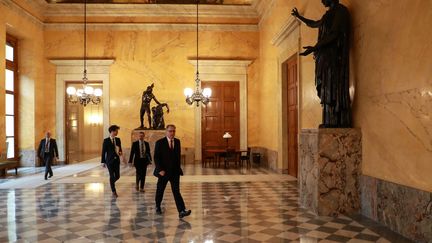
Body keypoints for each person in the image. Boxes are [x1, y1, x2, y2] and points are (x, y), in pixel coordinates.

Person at [292, 0, 352, 128]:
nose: (321, 1)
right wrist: (299, 17)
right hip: (324, 55)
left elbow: (334, 34)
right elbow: (314, 24)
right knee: (325, 85)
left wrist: (314, 48)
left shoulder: (340, 11)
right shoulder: (328, 15)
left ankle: (336, 119)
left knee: (331, 84)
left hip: (333, 56)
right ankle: (328, 119)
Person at [153, 124, 191, 219]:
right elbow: (156, 157)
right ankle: (157, 206)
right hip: (163, 172)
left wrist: (178, 169)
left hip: (174, 172)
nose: (172, 133)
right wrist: (160, 170)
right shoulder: (160, 142)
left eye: (174, 131)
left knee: (176, 191)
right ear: (166, 131)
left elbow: (177, 157)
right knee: (160, 190)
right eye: (170, 131)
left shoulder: (177, 142)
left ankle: (181, 211)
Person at [101, 125, 123, 198]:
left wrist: (120, 153)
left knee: (117, 176)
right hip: (109, 161)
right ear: (112, 131)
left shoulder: (118, 139)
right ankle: (114, 191)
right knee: (111, 175)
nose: (117, 132)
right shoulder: (106, 140)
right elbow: (103, 152)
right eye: (116, 131)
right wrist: (103, 162)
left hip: (117, 160)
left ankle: (111, 183)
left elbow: (120, 149)